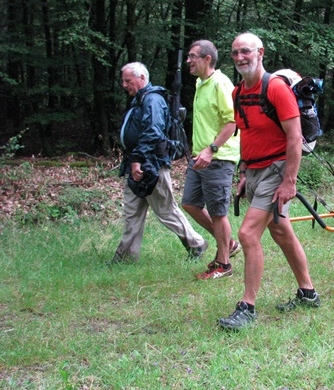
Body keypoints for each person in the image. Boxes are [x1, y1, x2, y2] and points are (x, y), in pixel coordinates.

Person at [218, 32, 320, 330]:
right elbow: (248, 134)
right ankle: (308, 293)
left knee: (248, 234)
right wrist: (243, 172)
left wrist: (290, 180)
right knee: (281, 231)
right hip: (255, 171)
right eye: (235, 52)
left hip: (277, 170)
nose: (240, 57)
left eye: (246, 51)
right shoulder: (238, 93)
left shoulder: (276, 88)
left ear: (260, 52)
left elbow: (294, 138)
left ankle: (247, 307)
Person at [112, 62, 208, 263]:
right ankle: (126, 257)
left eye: (128, 80)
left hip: (151, 164)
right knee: (132, 212)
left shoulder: (153, 100)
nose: (124, 85)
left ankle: (196, 243)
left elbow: (153, 131)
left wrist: (138, 159)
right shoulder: (140, 100)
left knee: (165, 210)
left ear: (142, 79)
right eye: (123, 80)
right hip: (136, 163)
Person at [180, 40, 242, 280]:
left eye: (193, 56)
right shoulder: (200, 83)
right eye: (188, 56)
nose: (188, 61)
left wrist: (211, 149)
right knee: (190, 203)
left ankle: (223, 264)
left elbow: (232, 121)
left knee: (218, 212)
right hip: (199, 156)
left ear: (207, 59)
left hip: (218, 157)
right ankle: (228, 243)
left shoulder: (221, 83)